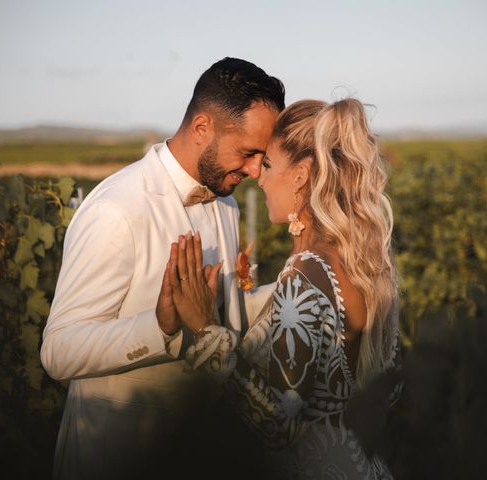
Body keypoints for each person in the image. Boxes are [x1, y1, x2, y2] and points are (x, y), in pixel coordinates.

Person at [40, 57, 285, 479]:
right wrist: (159, 328)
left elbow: (225, 318)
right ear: (202, 127)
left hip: (197, 452)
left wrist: (295, 291)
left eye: (261, 157)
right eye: (248, 152)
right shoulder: (118, 209)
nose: (253, 170)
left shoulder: (224, 203)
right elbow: (58, 352)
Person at [165, 98, 400, 479]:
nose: (259, 176)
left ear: (301, 175)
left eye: (269, 165)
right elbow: (388, 391)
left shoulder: (305, 273)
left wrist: (206, 330)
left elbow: (280, 424)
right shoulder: (370, 263)